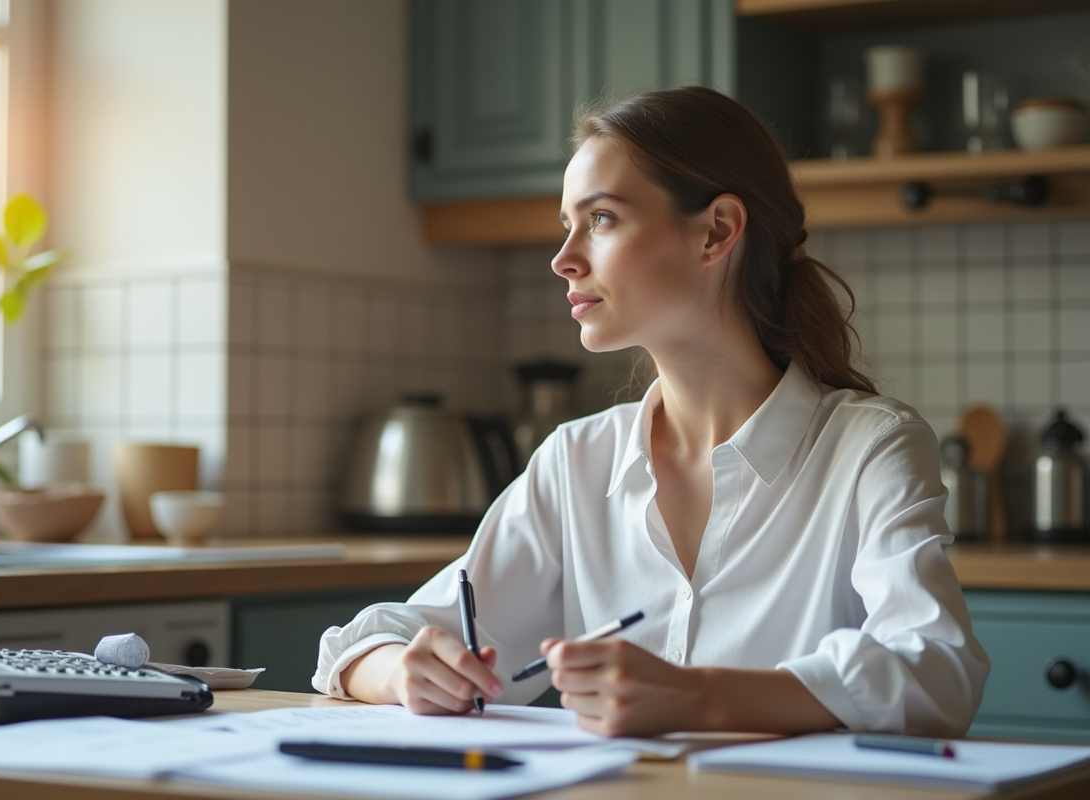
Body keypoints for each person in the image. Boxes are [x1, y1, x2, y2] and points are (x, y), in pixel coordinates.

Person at [313, 85, 989, 738]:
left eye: (601, 219)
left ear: (716, 231)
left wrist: (698, 696)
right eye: (567, 225)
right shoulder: (574, 462)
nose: (563, 259)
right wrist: (405, 673)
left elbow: (937, 673)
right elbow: (373, 642)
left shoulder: (871, 448)